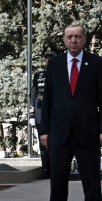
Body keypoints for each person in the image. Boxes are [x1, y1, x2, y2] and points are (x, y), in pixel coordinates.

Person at [40, 24, 102, 201]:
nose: (73, 40)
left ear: (84, 39)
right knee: (58, 184)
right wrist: (43, 130)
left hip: (87, 133)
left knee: (91, 184)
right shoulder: (55, 66)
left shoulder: (96, 63)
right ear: (64, 40)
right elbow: (47, 101)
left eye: (77, 37)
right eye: (69, 37)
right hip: (59, 134)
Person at [31, 48, 58, 179]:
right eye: (46, 57)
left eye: (51, 57)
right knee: (43, 144)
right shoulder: (38, 75)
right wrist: (32, 114)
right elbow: (33, 95)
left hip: (54, 113)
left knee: (55, 143)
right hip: (40, 113)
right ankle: (45, 170)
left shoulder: (60, 73)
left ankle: (55, 170)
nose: (48, 60)